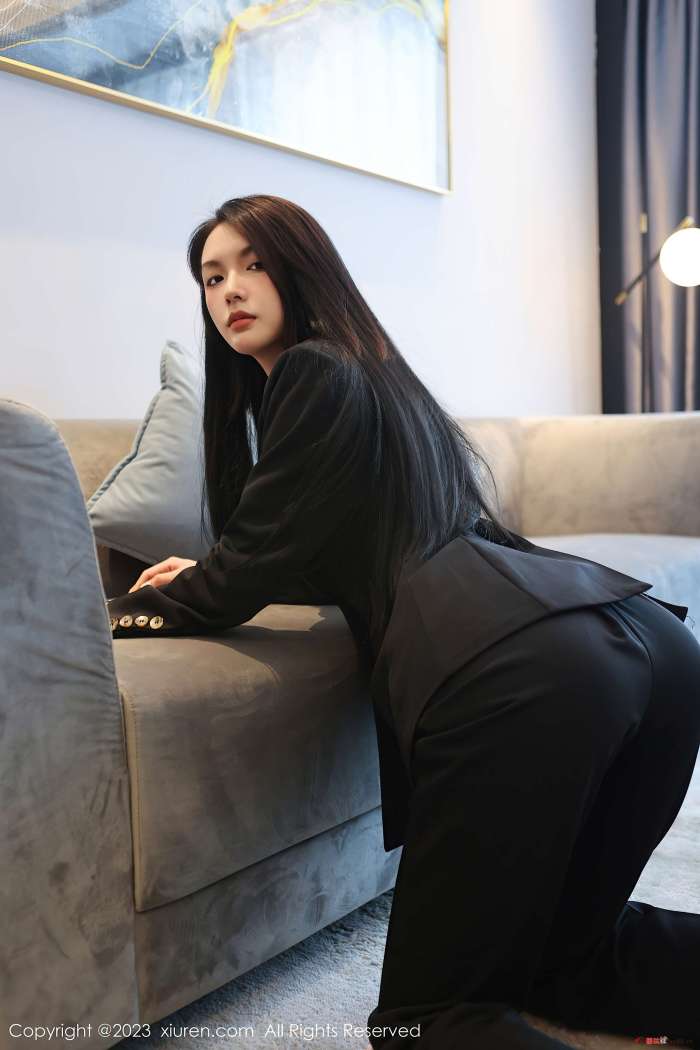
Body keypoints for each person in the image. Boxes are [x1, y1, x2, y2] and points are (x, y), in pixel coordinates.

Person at [105, 194, 700, 1048]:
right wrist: (207, 571)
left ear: (301, 267)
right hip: (650, 643)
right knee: (574, 962)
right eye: (212, 276)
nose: (230, 288)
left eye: (254, 264)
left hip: (525, 672)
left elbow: (244, 574)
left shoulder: (312, 371)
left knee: (423, 1025)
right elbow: (313, 549)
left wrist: (122, 611)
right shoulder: (375, 373)